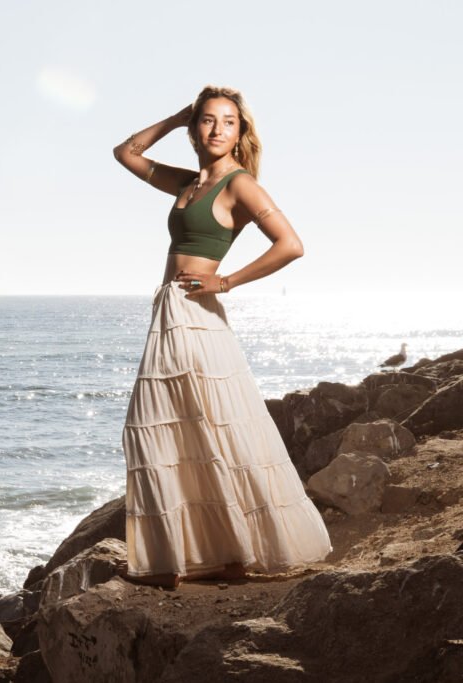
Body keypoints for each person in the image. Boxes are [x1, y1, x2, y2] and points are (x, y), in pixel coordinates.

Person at [112, 85, 331, 588]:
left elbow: (291, 245)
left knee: (160, 426)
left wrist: (225, 281)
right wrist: (175, 116)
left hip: (196, 315)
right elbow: (127, 153)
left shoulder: (239, 185)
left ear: (241, 131)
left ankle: (185, 560)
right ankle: (217, 557)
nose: (217, 130)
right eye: (207, 120)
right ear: (195, 128)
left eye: (228, 122)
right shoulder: (188, 184)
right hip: (170, 311)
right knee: (191, 428)